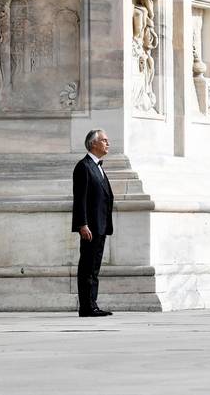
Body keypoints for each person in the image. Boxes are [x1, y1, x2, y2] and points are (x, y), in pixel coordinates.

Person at [72, 129, 115, 317]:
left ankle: (92, 304)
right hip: (90, 227)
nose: (108, 143)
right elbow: (79, 198)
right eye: (104, 140)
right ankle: (86, 307)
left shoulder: (97, 166)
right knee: (87, 267)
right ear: (93, 144)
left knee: (94, 268)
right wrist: (82, 224)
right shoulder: (84, 166)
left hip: (101, 225)